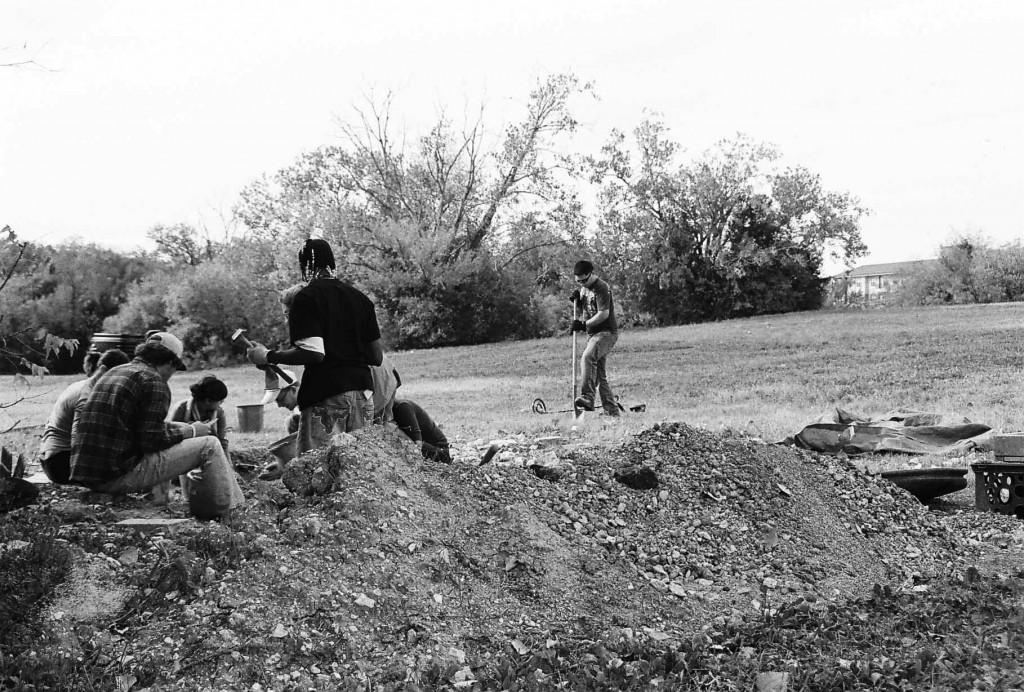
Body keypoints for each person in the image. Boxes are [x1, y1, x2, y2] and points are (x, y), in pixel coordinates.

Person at [70, 331, 244, 519]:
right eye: (174, 369)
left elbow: (142, 427)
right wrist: (193, 431)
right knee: (209, 444)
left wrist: (185, 429)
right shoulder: (154, 381)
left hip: (89, 473)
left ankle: (221, 504)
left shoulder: (115, 371)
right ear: (170, 362)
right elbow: (151, 441)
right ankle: (231, 511)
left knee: (180, 429)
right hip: (115, 476)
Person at [247, 238, 384, 455]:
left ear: (303, 266)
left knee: (317, 469)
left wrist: (267, 356)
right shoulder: (361, 299)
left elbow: (314, 353)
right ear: (332, 261)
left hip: (327, 395)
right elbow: (376, 356)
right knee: (360, 472)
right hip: (362, 394)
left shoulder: (306, 298)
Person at [37, 348, 130, 484]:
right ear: (103, 370)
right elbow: (78, 438)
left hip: (51, 458)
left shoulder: (82, 385)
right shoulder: (87, 395)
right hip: (60, 463)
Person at [569, 259, 620, 416]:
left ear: (590, 274)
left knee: (587, 358)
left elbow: (603, 314)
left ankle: (588, 398)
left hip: (606, 333)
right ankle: (612, 412)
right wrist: (577, 300)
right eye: (578, 282)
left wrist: (583, 325)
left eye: (584, 280)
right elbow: (586, 308)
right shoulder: (584, 289)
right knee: (599, 376)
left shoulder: (601, 288)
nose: (582, 284)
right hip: (593, 335)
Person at [171, 375, 230, 455]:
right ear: (208, 401)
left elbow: (222, 442)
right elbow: (172, 438)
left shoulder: (219, 413)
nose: (221, 404)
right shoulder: (181, 409)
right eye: (220, 401)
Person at [393, 398, 451, 463]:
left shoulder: (402, 408)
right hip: (424, 446)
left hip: (439, 451)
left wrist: (396, 431)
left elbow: (418, 445)